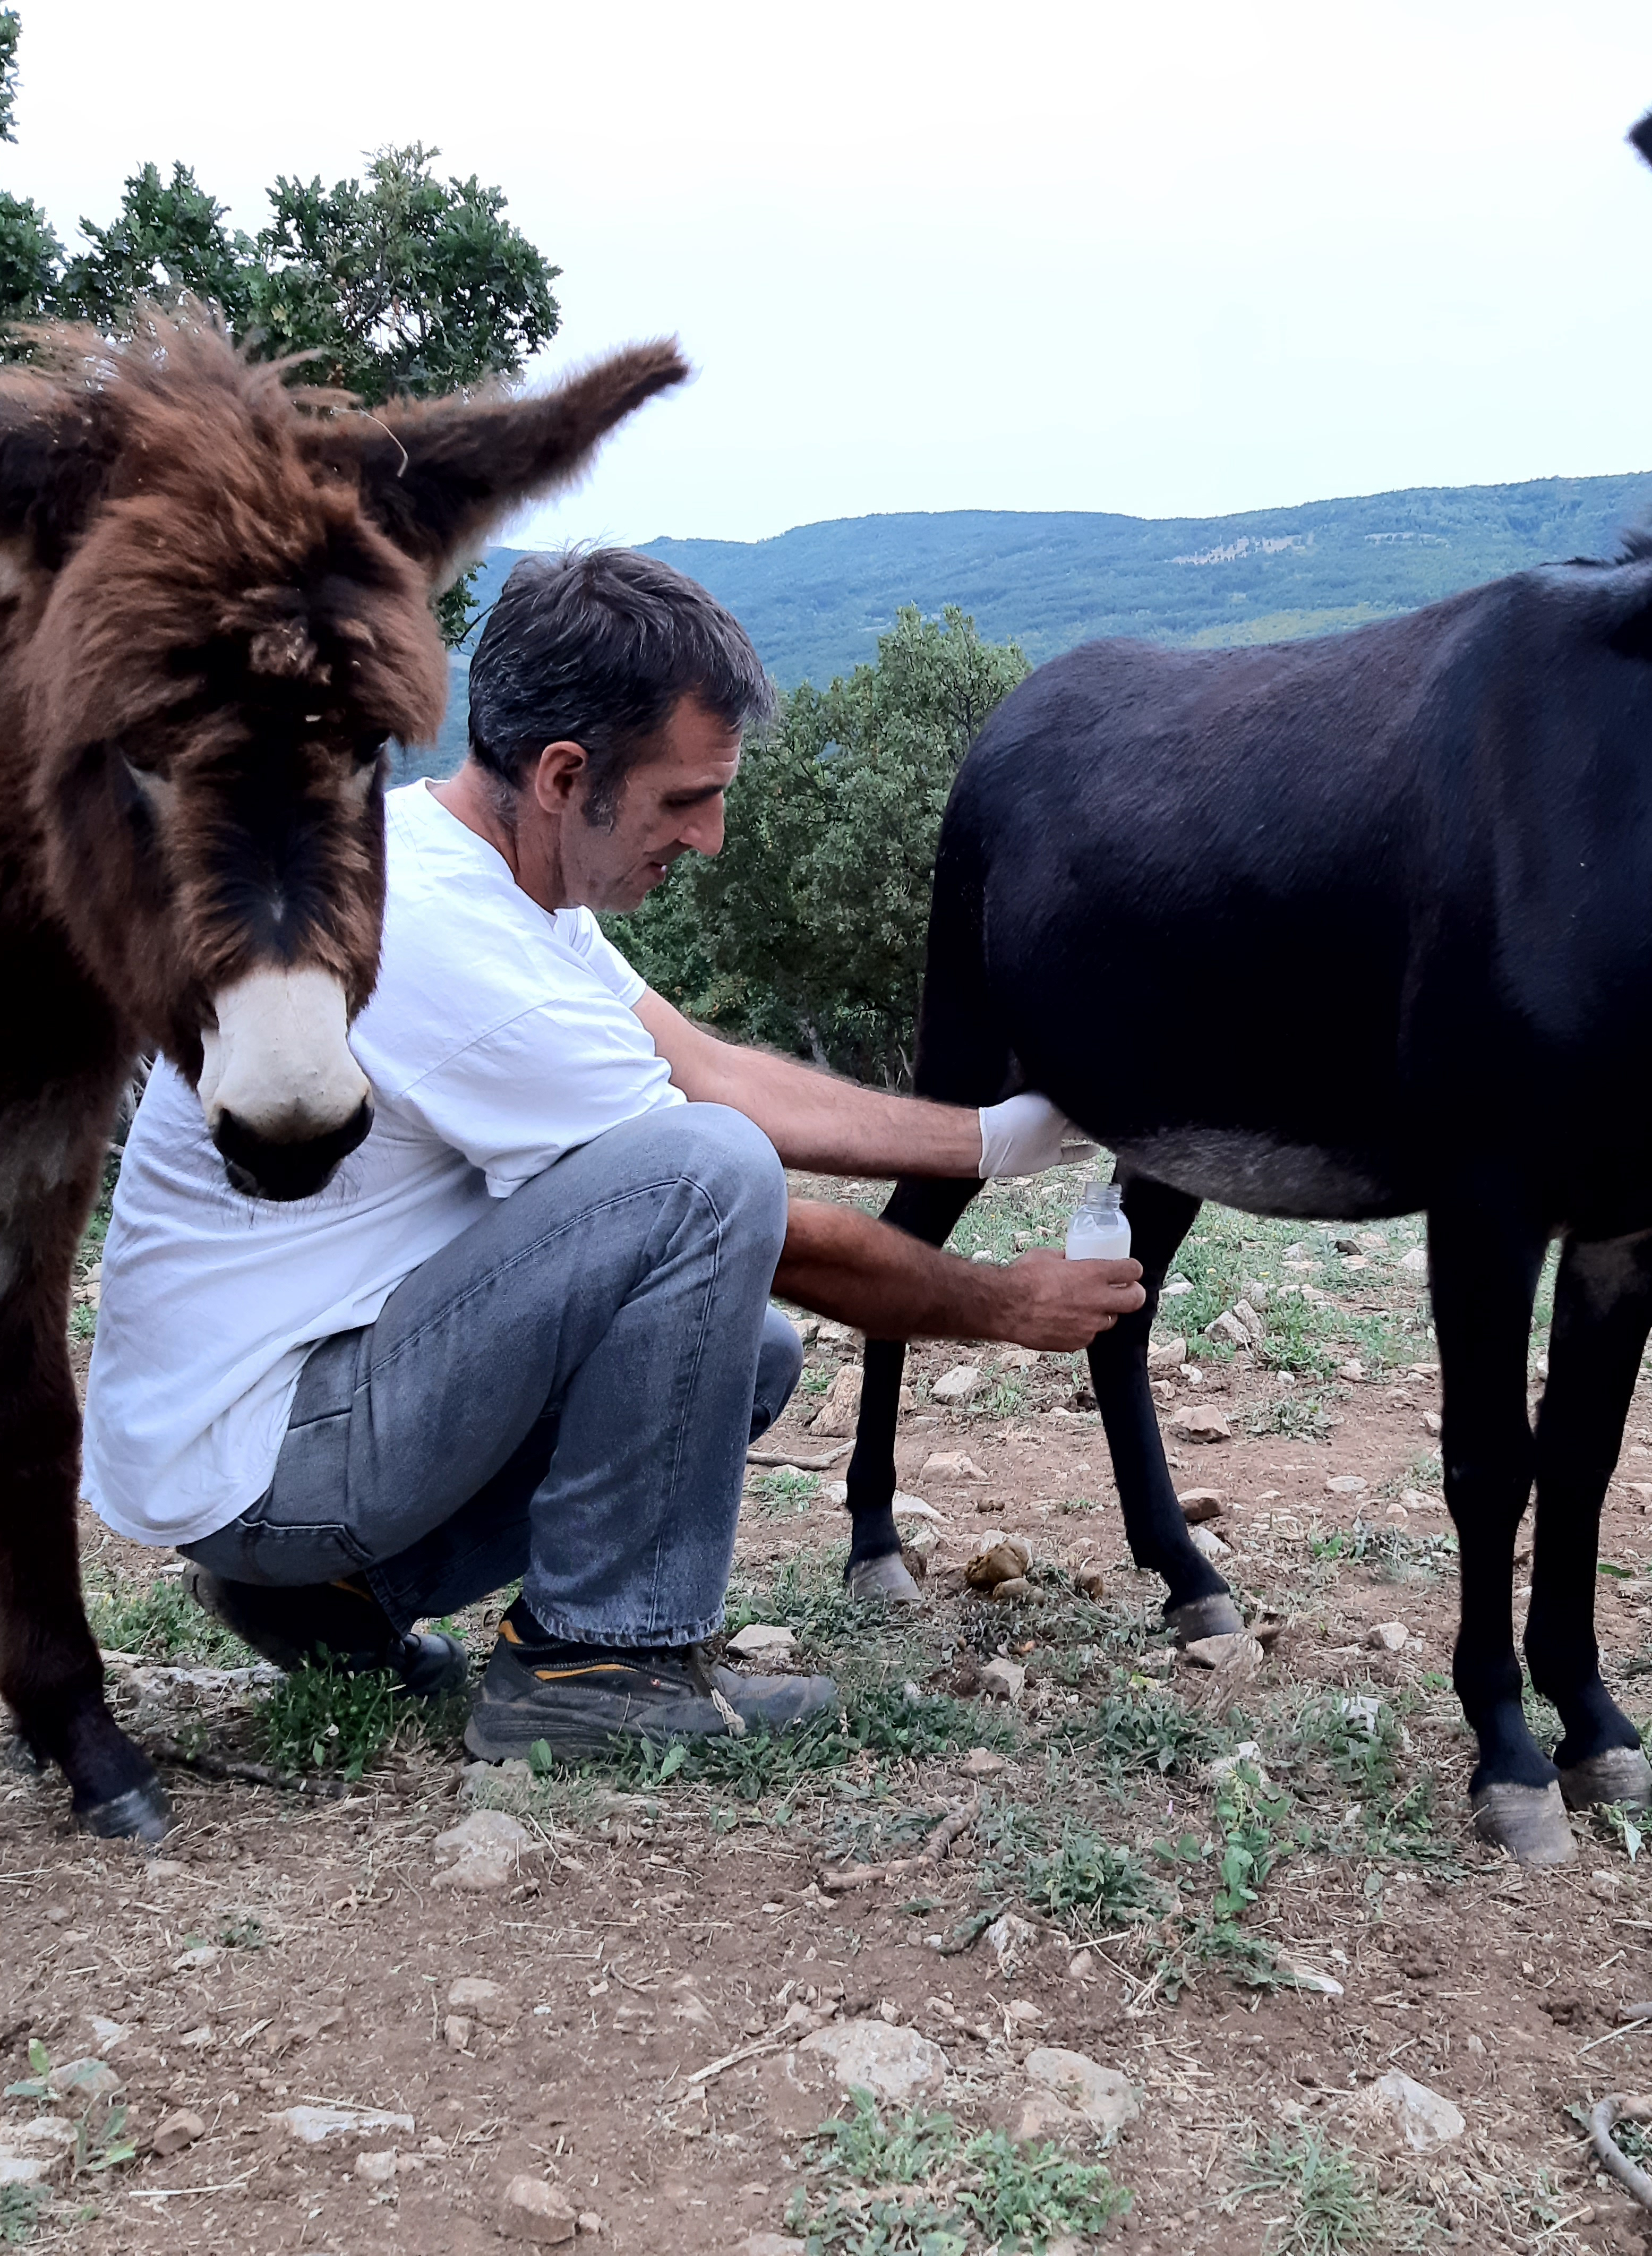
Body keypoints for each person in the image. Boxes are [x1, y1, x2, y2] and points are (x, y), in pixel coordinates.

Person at [81, 548, 1143, 1759]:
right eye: (684, 800)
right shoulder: (443, 940)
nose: (712, 838)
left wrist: (1007, 1137)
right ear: (564, 777)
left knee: (746, 1352)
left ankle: (331, 1602)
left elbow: (713, 1071)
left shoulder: (477, 867)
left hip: (287, 1424)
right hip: (271, 1460)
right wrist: (1003, 1305)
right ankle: (595, 1664)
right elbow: (731, 1198)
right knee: (708, 1176)